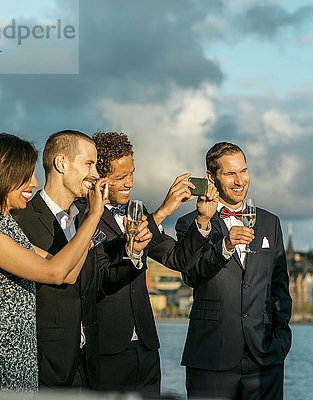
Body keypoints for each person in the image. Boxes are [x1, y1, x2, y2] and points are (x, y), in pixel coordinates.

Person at [0, 133, 107, 392]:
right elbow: (54, 272)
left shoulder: (5, 225)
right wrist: (94, 216)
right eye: (26, 176)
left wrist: (86, 225)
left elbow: (69, 275)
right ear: (0, 175)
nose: (34, 182)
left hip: (21, 351)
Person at [12, 130, 148, 390]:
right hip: (45, 368)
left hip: (89, 367)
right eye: (89, 164)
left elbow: (98, 283)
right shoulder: (24, 218)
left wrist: (133, 253)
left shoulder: (81, 219)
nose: (96, 174)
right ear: (61, 164)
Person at [90, 131, 219, 397]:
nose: (130, 183)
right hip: (106, 347)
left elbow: (178, 259)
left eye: (132, 174)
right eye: (121, 178)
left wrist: (203, 221)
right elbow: (102, 267)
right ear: (100, 179)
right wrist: (163, 212)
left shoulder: (135, 210)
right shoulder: (83, 214)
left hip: (147, 347)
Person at [175, 142, 292, 400]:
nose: (240, 180)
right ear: (211, 177)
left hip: (264, 358)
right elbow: (191, 274)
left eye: (244, 171)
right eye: (230, 174)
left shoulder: (271, 223)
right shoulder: (189, 224)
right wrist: (225, 246)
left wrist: (281, 340)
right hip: (210, 357)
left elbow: (280, 287)